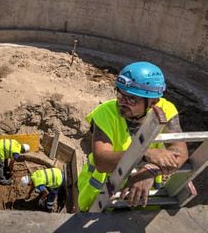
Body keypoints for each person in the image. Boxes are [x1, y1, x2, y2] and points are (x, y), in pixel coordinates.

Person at [77, 61, 188, 212]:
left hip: (139, 199)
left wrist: (151, 169)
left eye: (131, 99)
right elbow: (102, 161)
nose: (121, 102)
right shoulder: (105, 113)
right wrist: (145, 155)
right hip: (101, 195)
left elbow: (180, 153)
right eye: (120, 94)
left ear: (153, 102)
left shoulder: (166, 111)